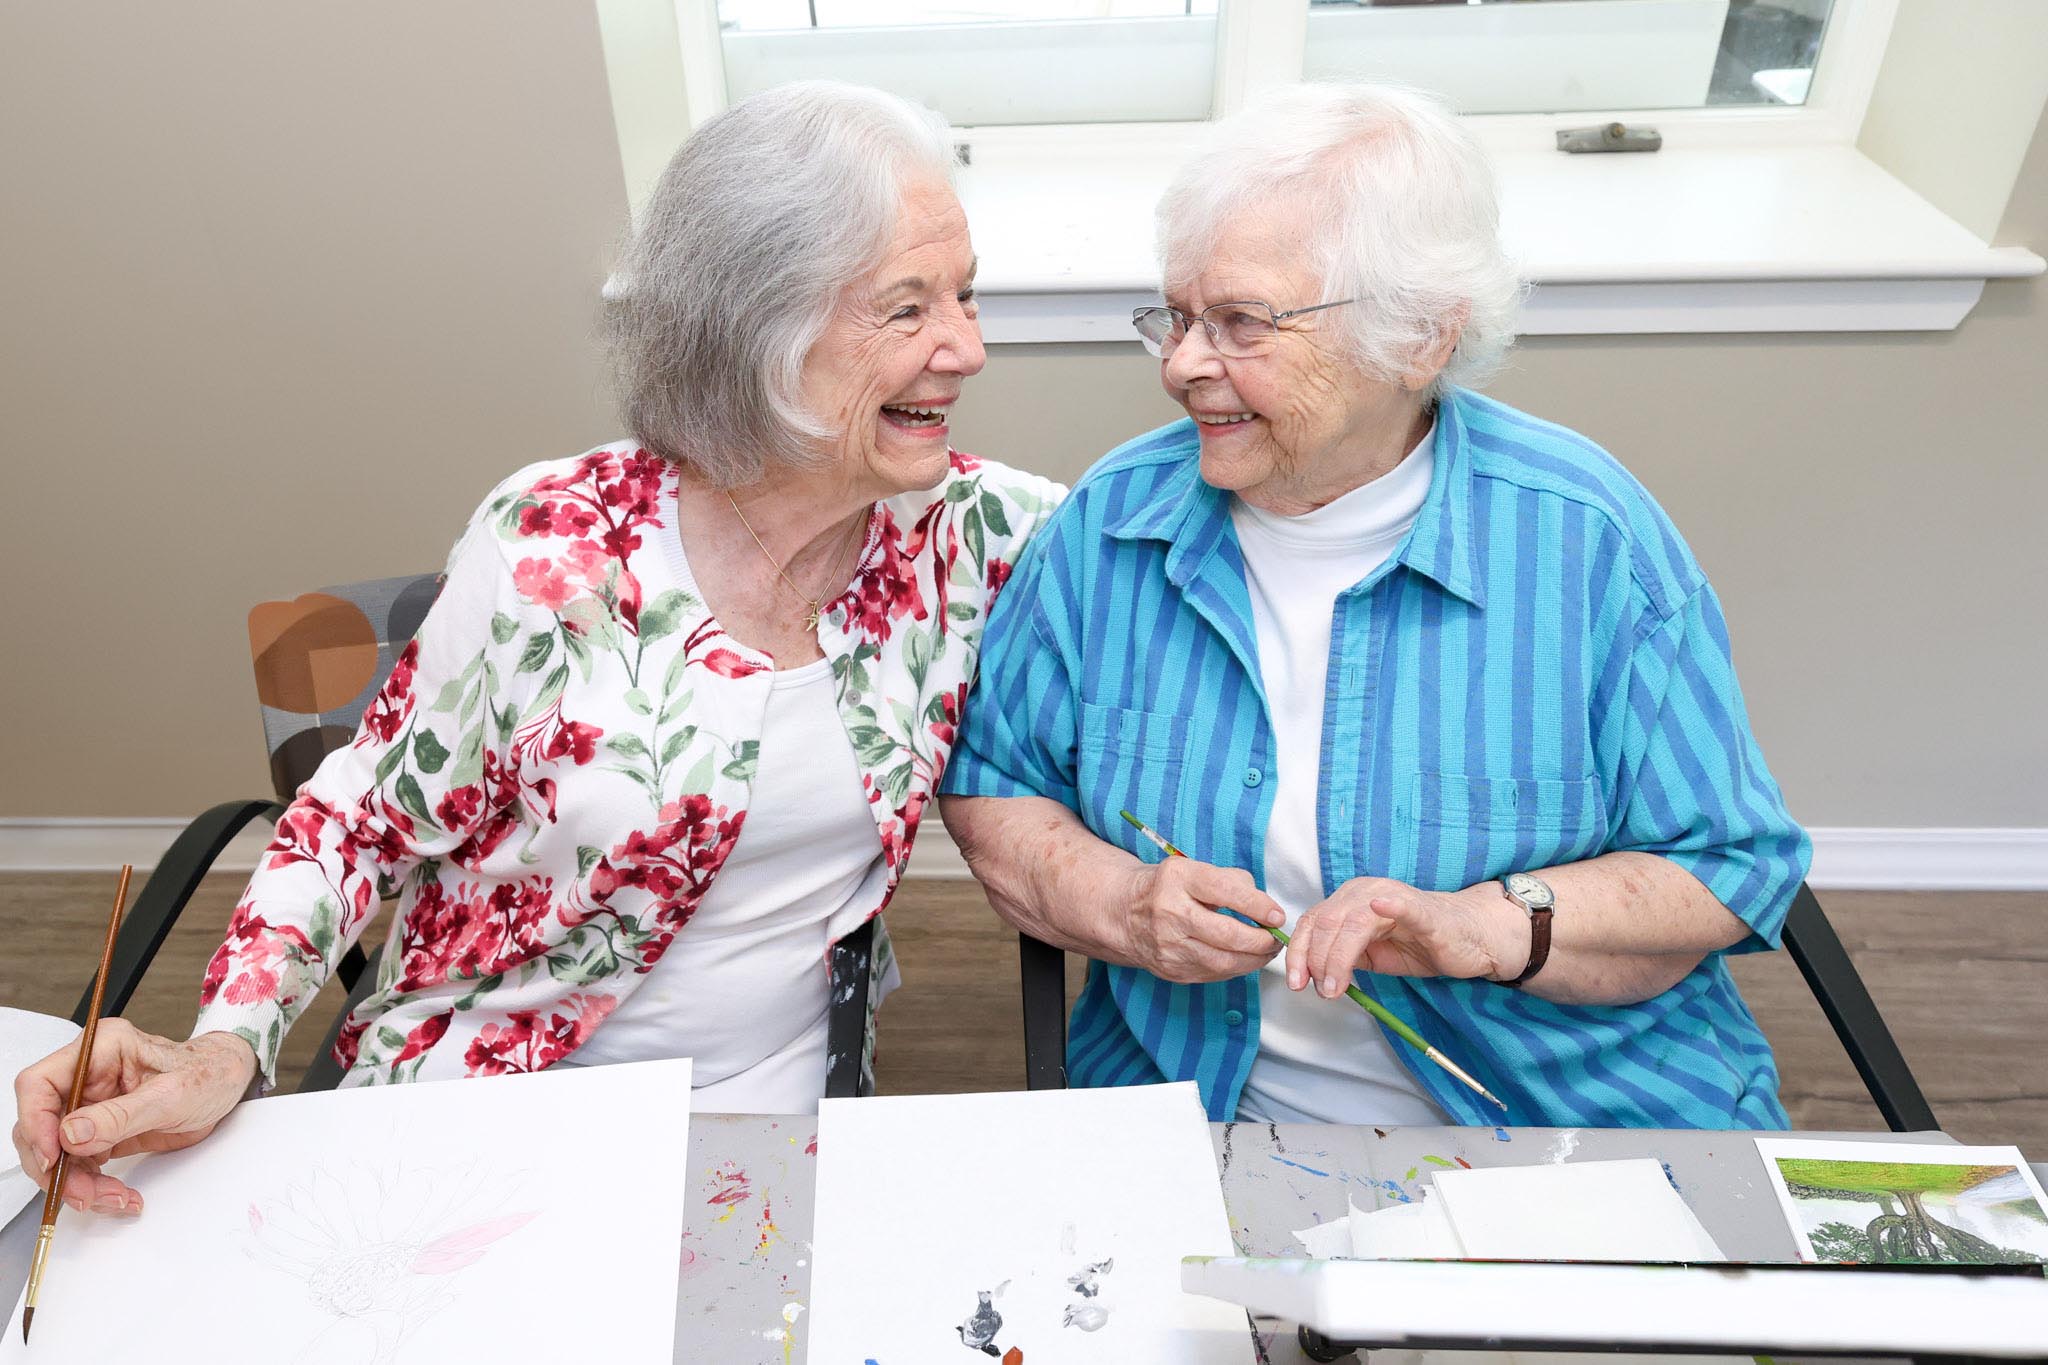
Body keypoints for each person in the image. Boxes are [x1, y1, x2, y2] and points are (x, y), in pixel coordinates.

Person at [13, 80, 1059, 1217]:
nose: (967, 346)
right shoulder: (556, 541)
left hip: (770, 1109)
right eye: (906, 310)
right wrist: (228, 1044)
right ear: (759, 327)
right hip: (491, 1091)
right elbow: (356, 819)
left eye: (964, 295)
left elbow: (1169, 521)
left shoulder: (979, 537)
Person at [939, 82, 1810, 1130]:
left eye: (1240, 324)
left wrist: (1488, 926)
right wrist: (1122, 907)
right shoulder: (1110, 523)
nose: (1180, 366)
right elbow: (997, 786)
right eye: (1174, 317)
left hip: (1566, 1128)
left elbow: (1725, 867)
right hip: (1197, 1121)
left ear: (1419, 340)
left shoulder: (1586, 540)